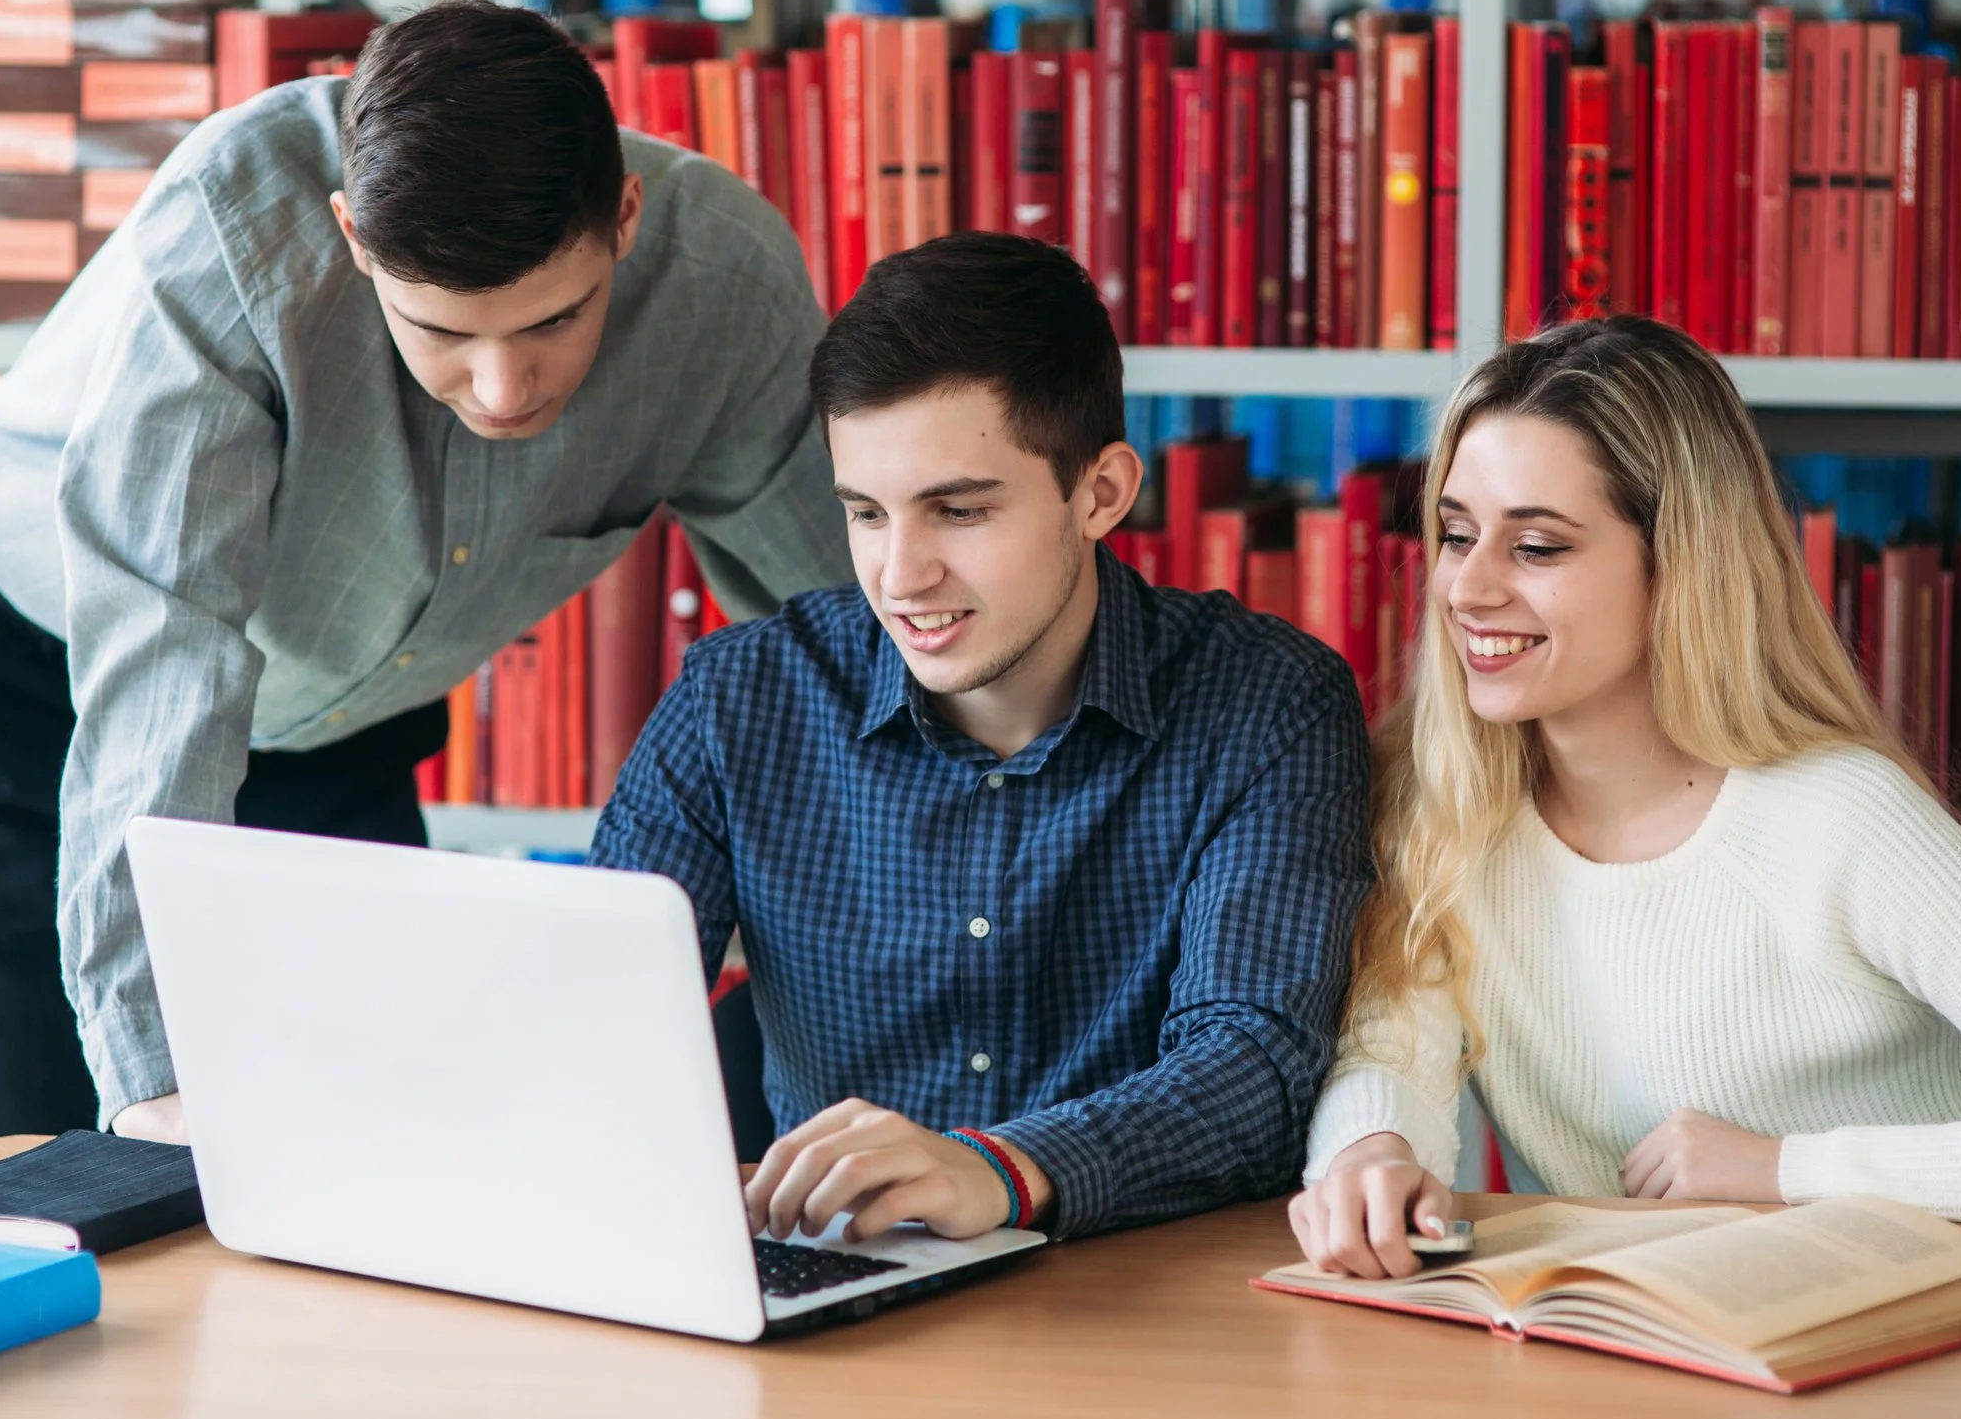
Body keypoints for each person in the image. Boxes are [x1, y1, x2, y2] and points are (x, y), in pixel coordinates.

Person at [0, 0, 851, 1147]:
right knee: (51, 1182)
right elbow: (163, 658)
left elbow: (838, 640)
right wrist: (148, 1076)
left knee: (384, 1168)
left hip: (335, 728)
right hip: (15, 680)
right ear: (350, 233)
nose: (503, 389)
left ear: (624, 216)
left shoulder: (724, 287)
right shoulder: (233, 231)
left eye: (552, 321)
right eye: (443, 334)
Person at [1287, 315, 1961, 1278]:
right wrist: (1371, 1152)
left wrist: (1784, 1170)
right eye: (1456, 533)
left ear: (1678, 565)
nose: (1468, 589)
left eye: (1538, 547)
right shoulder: (1449, 810)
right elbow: (1394, 1054)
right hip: (1621, 1366)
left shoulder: (1841, 820)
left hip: (1887, 1368)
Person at [588, 232, 1373, 1242]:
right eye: (867, 512)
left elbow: (1255, 1066)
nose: (900, 575)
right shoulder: (741, 700)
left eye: (956, 511)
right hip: (837, 1294)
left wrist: (1000, 1167)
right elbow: (590, 1015)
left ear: (1100, 492)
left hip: (1141, 1302)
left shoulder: (1267, 703)